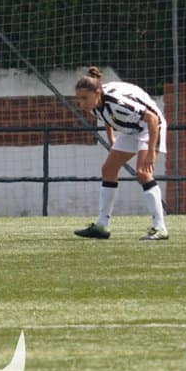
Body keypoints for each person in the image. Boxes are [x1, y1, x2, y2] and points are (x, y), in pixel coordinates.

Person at [72, 67, 168, 241]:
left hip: (151, 127)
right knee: (108, 169)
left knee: (143, 172)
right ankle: (102, 226)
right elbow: (106, 117)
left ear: (97, 92)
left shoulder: (118, 102)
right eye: (78, 98)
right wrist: (111, 139)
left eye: (84, 98)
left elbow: (152, 119)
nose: (81, 103)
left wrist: (151, 153)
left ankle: (160, 228)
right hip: (131, 129)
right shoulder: (94, 105)